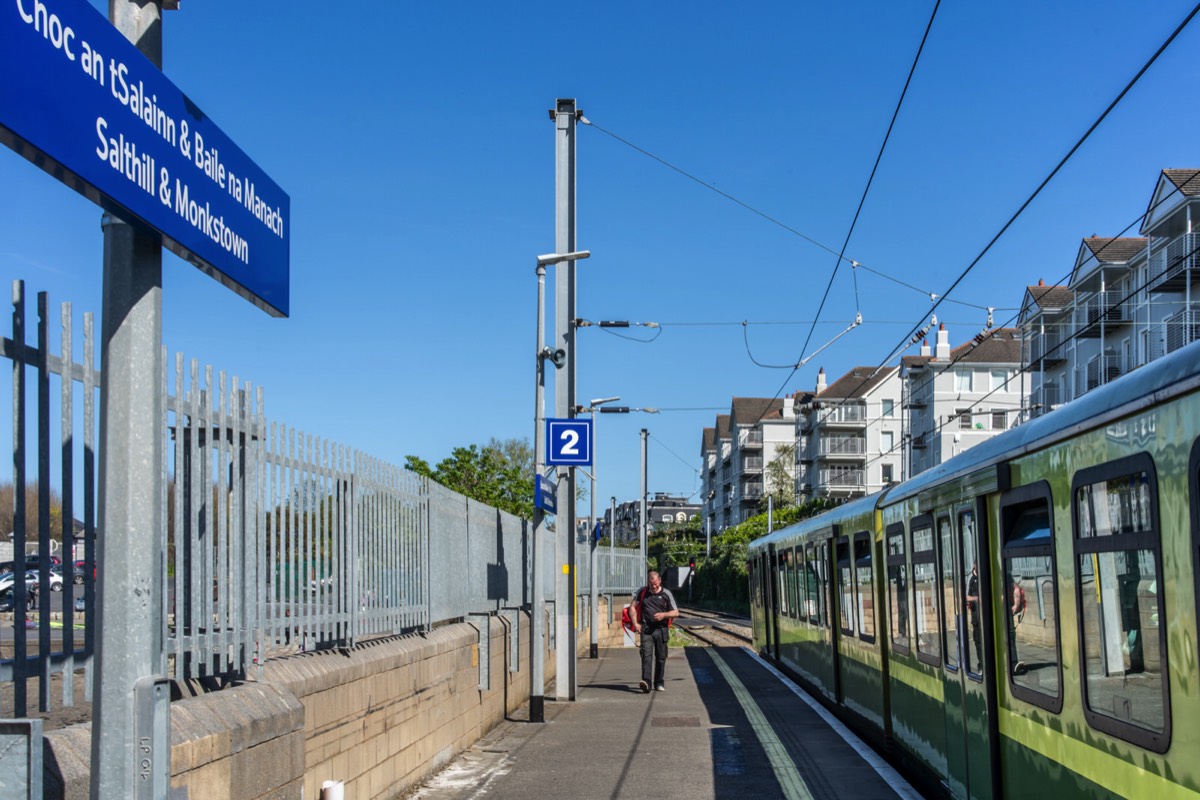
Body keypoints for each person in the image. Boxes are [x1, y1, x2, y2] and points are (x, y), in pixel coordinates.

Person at [631, 571, 679, 693]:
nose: (653, 587)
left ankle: (659, 682)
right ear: (648, 582)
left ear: (660, 581)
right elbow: (632, 607)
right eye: (651, 585)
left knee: (661, 657)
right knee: (646, 655)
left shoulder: (666, 593)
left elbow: (676, 612)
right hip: (646, 630)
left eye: (656, 584)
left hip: (661, 630)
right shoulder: (642, 592)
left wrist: (664, 615)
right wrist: (636, 624)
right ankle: (646, 682)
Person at [965, 562, 982, 663]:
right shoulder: (970, 578)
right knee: (978, 640)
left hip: (986, 613)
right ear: (975, 565)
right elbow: (966, 597)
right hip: (976, 614)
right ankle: (981, 663)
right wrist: (976, 598)